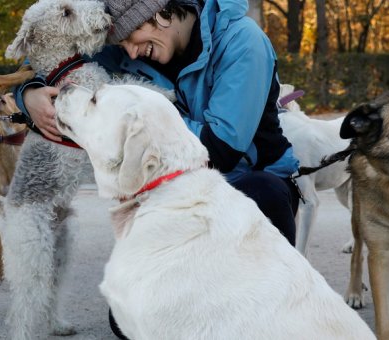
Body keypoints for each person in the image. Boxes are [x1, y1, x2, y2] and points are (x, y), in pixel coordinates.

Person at [18, 1, 300, 338]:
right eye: (121, 45)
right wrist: (29, 95)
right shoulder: (127, 49)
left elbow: (219, 149)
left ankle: (267, 309)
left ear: (162, 13)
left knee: (264, 194)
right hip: (167, 196)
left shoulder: (242, 41)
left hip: (243, 181)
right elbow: (49, 62)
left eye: (132, 39)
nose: (132, 54)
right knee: (128, 323)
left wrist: (139, 117)